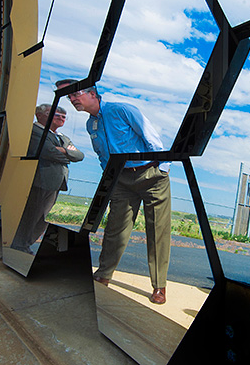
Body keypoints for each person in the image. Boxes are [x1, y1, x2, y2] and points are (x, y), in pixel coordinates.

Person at [55, 79, 172, 305]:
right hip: (121, 180)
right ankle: (104, 274)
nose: (72, 100)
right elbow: (102, 155)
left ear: (92, 93)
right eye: (68, 97)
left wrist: (161, 169)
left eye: (74, 94)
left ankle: (159, 286)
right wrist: (110, 178)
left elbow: (150, 137)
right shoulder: (91, 125)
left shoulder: (122, 110)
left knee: (157, 230)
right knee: (115, 228)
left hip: (151, 175)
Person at [10, 104, 84, 254]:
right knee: (31, 215)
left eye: (64, 117)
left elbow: (80, 155)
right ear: (39, 115)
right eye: (56, 115)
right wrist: (66, 154)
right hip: (40, 180)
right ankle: (19, 245)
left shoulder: (62, 137)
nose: (61, 118)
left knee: (42, 217)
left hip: (56, 182)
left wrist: (63, 152)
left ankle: (26, 244)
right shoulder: (35, 131)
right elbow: (47, 151)